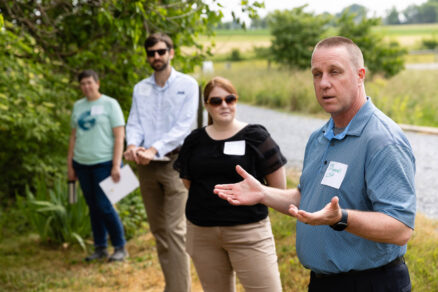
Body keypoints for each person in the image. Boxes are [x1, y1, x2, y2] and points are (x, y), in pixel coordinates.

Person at [214, 36, 416, 292]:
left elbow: (400, 229)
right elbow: (306, 199)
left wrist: (341, 218)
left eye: (335, 72)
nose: (324, 84)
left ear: (360, 75)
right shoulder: (319, 137)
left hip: (371, 283)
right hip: (322, 283)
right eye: (317, 74)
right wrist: (264, 193)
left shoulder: (382, 140)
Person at [174, 76, 286, 292]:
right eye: (216, 101)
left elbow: (278, 188)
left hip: (249, 232)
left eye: (230, 99)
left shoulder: (256, 136)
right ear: (206, 105)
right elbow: (188, 182)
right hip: (203, 233)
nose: (224, 105)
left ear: (236, 101)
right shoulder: (194, 141)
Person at [124, 32, 198, 292]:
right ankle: (173, 286)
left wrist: (154, 148)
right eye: (151, 53)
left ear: (171, 52)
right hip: (146, 166)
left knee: (174, 230)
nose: (156, 56)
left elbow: (183, 126)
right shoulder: (140, 88)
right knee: (158, 230)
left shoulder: (188, 85)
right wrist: (132, 145)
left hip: (175, 163)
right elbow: (134, 122)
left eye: (160, 51)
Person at [67, 69, 128, 262]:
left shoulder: (110, 104)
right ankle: (100, 247)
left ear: (97, 83)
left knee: (105, 205)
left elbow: (120, 137)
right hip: (82, 163)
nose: (86, 87)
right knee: (93, 206)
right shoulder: (78, 106)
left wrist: (116, 165)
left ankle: (120, 247)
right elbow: (73, 137)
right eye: (82, 84)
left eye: (89, 83)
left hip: (104, 163)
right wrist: (70, 165)